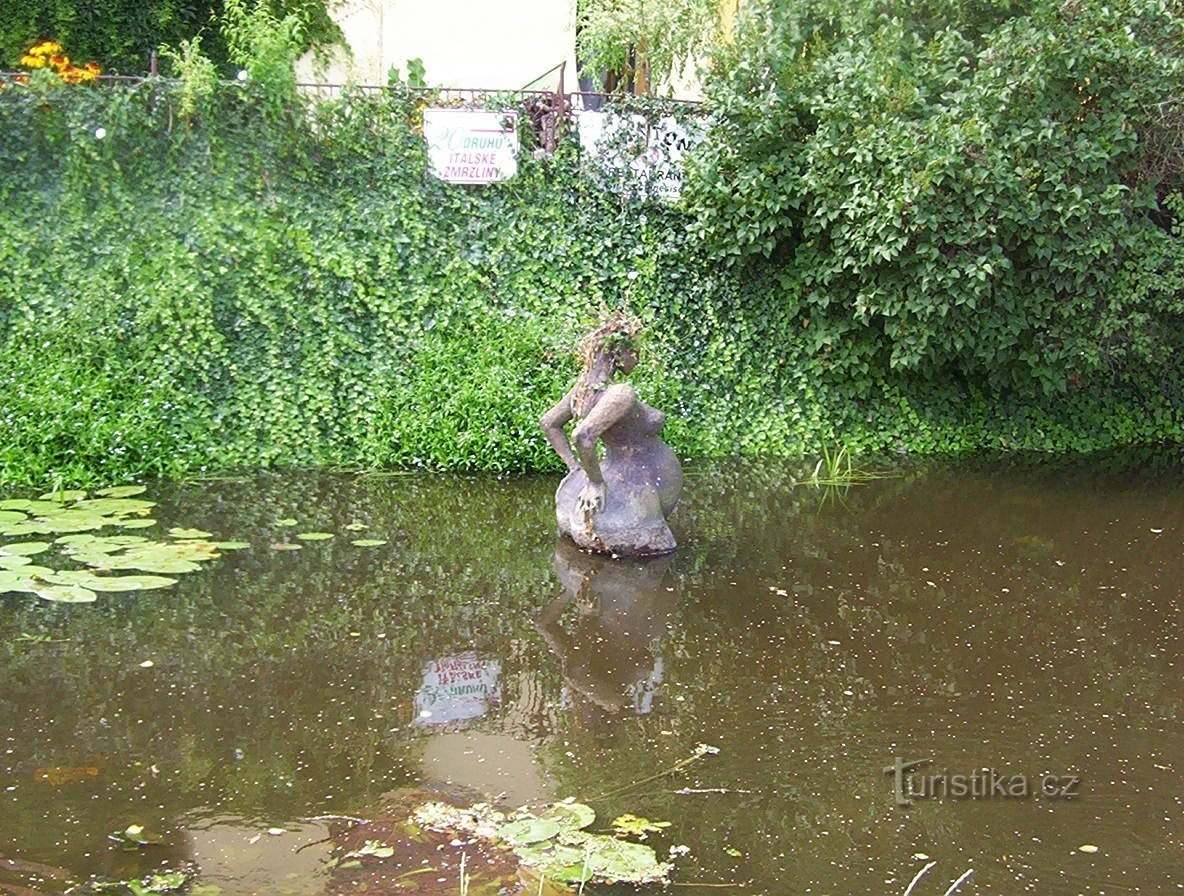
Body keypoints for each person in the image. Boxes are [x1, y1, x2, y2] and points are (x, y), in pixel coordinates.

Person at [539, 312, 682, 556]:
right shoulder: (620, 394)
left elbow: (549, 423)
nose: (637, 358)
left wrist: (576, 469)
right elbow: (582, 436)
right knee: (654, 570)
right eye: (633, 352)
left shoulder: (583, 390)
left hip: (623, 482)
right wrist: (594, 482)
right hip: (634, 492)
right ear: (617, 353)